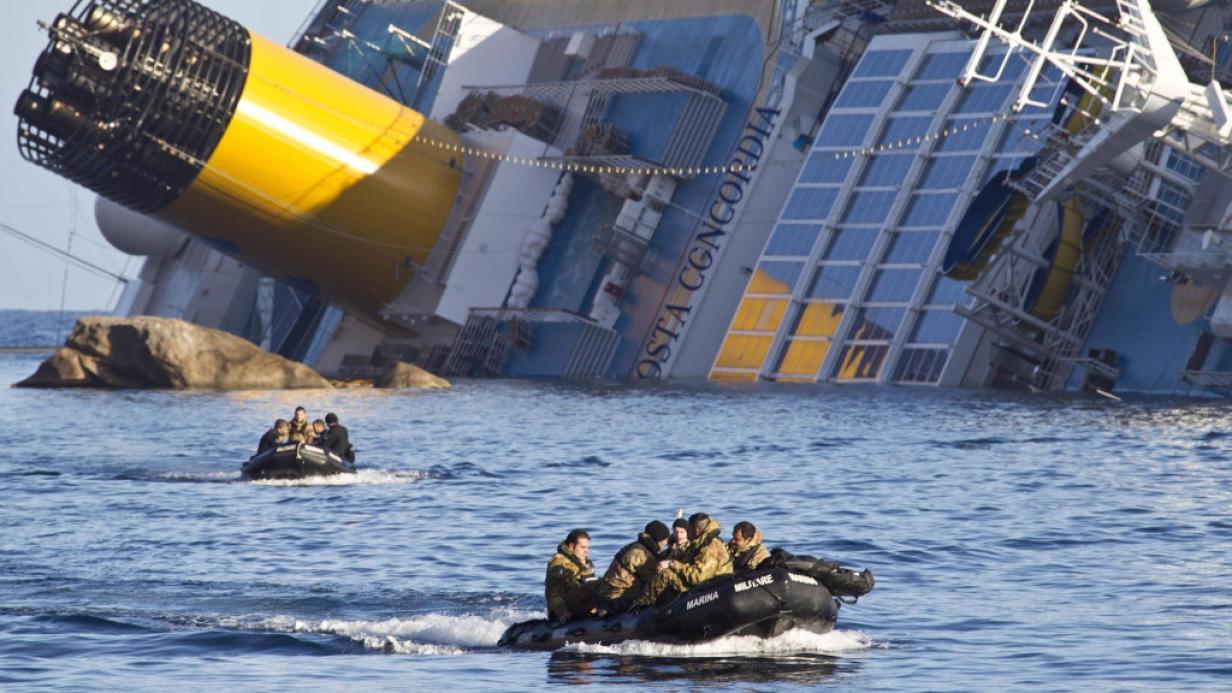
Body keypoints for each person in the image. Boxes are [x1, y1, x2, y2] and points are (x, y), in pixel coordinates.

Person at [634, 512, 732, 607]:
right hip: (712, 582)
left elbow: (697, 577)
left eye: (687, 530)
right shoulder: (707, 541)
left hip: (710, 586)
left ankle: (643, 605)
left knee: (666, 574)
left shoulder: (710, 547)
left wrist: (672, 564)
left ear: (696, 530)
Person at [600, 521, 670, 610]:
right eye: (664, 540)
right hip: (617, 596)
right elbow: (653, 579)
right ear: (658, 539)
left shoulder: (638, 546)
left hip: (610, 590)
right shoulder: (641, 554)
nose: (666, 543)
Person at [545, 529, 603, 623]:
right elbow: (553, 593)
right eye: (583, 547)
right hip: (568, 607)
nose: (586, 551)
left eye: (587, 548)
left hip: (584, 603)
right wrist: (562, 613)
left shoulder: (583, 562)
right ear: (572, 546)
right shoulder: (559, 563)